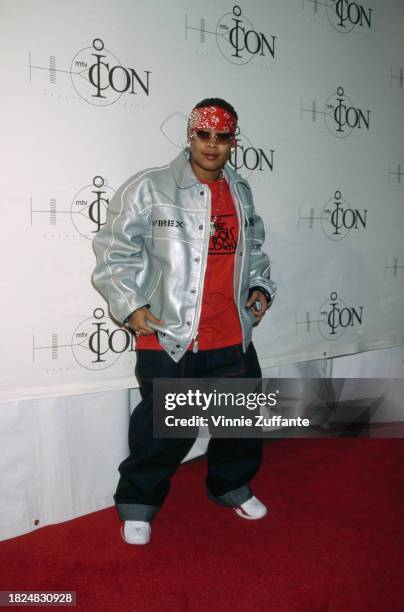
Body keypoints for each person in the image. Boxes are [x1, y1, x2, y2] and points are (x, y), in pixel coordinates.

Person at [92, 98, 277, 545]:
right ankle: (139, 502)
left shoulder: (241, 191)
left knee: (240, 425)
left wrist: (260, 289)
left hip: (231, 336)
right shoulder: (149, 188)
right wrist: (131, 305)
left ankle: (229, 485)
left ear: (234, 141)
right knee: (163, 432)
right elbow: (112, 251)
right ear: (190, 136)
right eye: (204, 135)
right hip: (169, 334)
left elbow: (253, 251)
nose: (212, 145)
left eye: (223, 137)